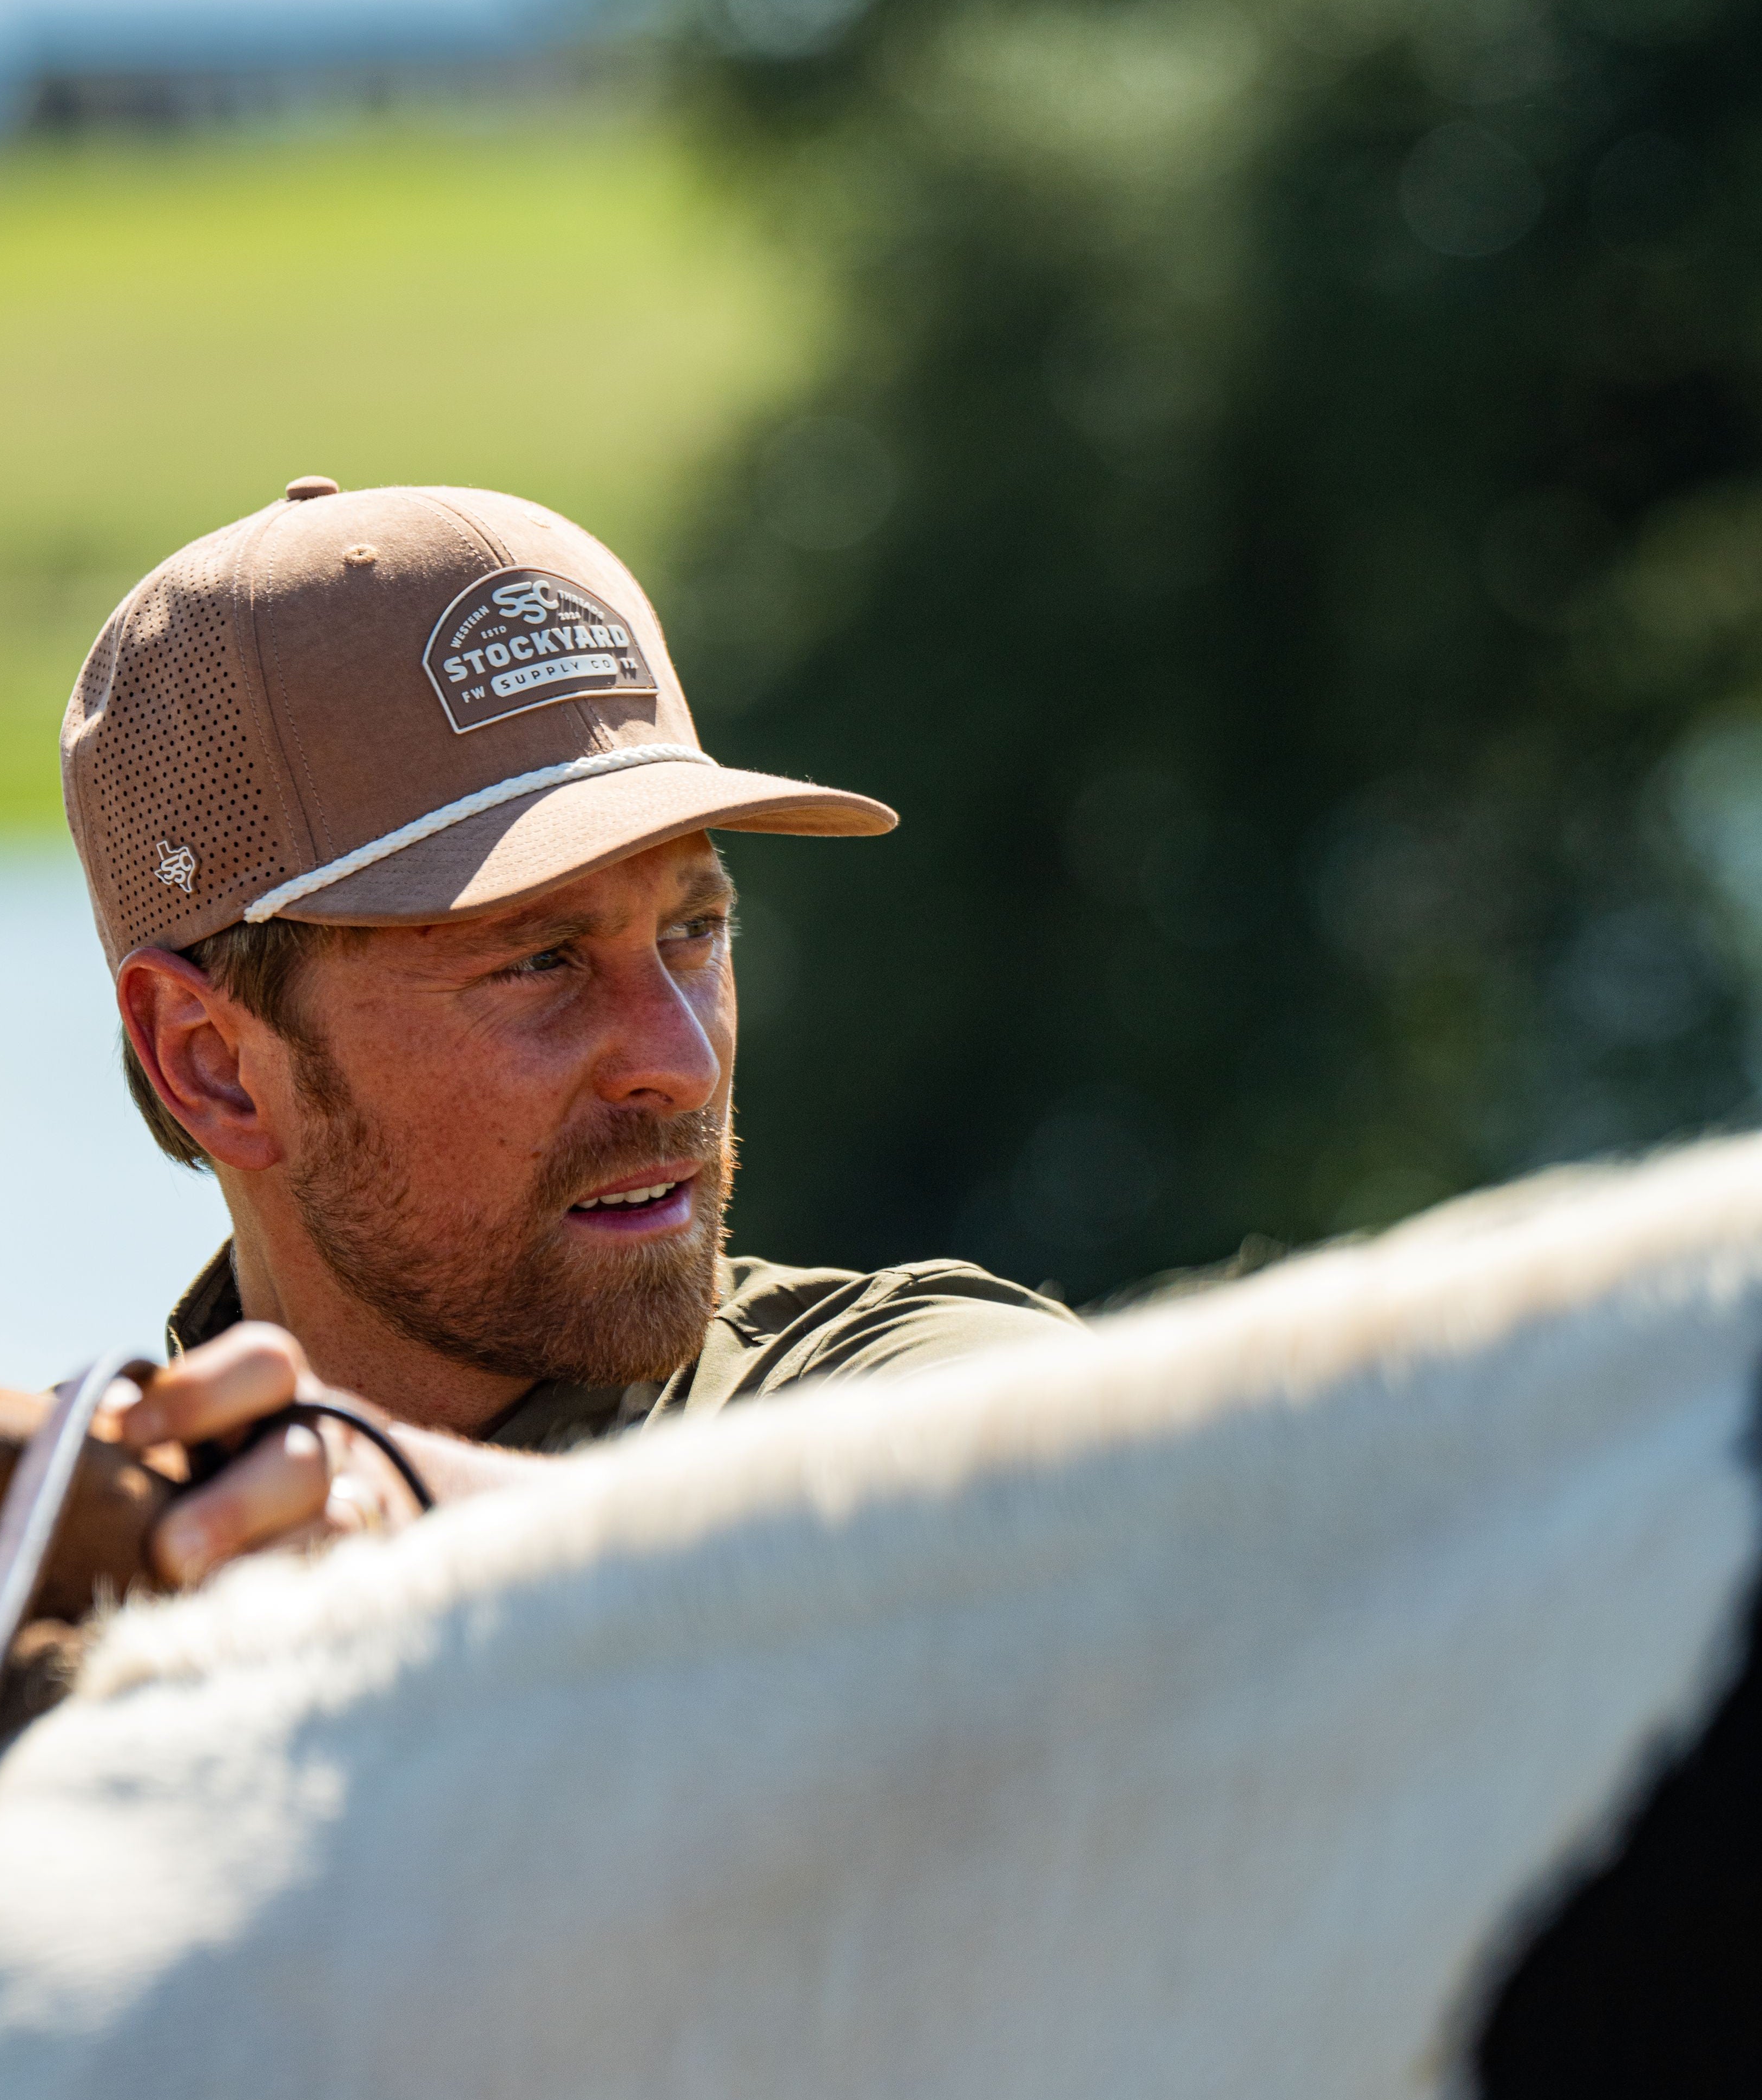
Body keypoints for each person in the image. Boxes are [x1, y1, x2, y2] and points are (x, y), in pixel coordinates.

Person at [61, 478, 1079, 1576]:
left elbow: (1070, 1514)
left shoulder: (905, 1377)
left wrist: (410, 1517)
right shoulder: (69, 1578)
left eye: (693, 931)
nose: (679, 1065)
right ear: (208, 1061)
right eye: (539, 963)